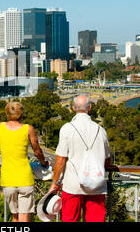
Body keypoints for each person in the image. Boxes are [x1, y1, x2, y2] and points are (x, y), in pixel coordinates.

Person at [0, 101, 49, 222]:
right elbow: (37, 151)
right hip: (25, 178)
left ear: (7, 113)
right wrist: (43, 163)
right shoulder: (28, 129)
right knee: (24, 216)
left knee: (15, 216)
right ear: (21, 114)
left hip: (8, 179)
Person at [49, 94, 114, 222]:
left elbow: (60, 160)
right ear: (90, 108)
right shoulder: (101, 130)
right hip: (96, 185)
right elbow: (107, 160)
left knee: (70, 219)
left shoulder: (67, 129)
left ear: (73, 108)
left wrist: (55, 182)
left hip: (72, 185)